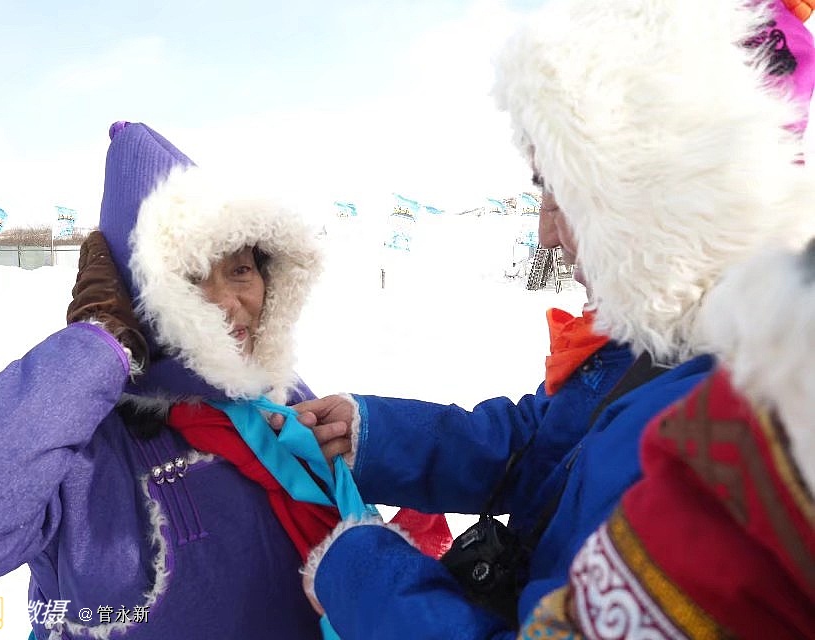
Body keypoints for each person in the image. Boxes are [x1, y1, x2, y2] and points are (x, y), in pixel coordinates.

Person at [281, 0, 815, 637]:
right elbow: (537, 445)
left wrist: (364, 578)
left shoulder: (756, 437)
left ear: (654, 197)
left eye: (563, 197)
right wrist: (375, 433)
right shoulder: (646, 344)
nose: (546, 235)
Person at [0, 121, 330, 639]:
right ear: (138, 290)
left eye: (240, 270)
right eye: (191, 278)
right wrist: (97, 344)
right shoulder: (79, 436)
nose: (228, 303)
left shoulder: (280, 399)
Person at [523, 240, 815, 639]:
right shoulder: (645, 352)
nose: (549, 236)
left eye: (563, 210)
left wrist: (428, 592)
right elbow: (542, 434)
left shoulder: (750, 403)